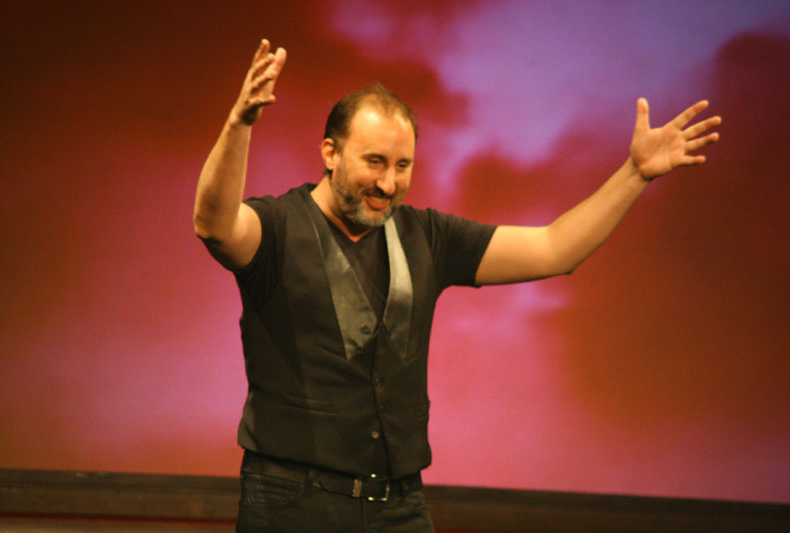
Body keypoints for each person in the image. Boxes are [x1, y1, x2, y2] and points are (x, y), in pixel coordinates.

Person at [193, 39, 721, 532]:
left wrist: (635, 174)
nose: (388, 183)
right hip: (293, 502)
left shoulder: (428, 236)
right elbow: (215, 224)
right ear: (330, 153)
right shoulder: (278, 228)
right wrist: (240, 124)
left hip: (398, 504)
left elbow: (555, 249)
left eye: (403, 166)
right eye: (375, 162)